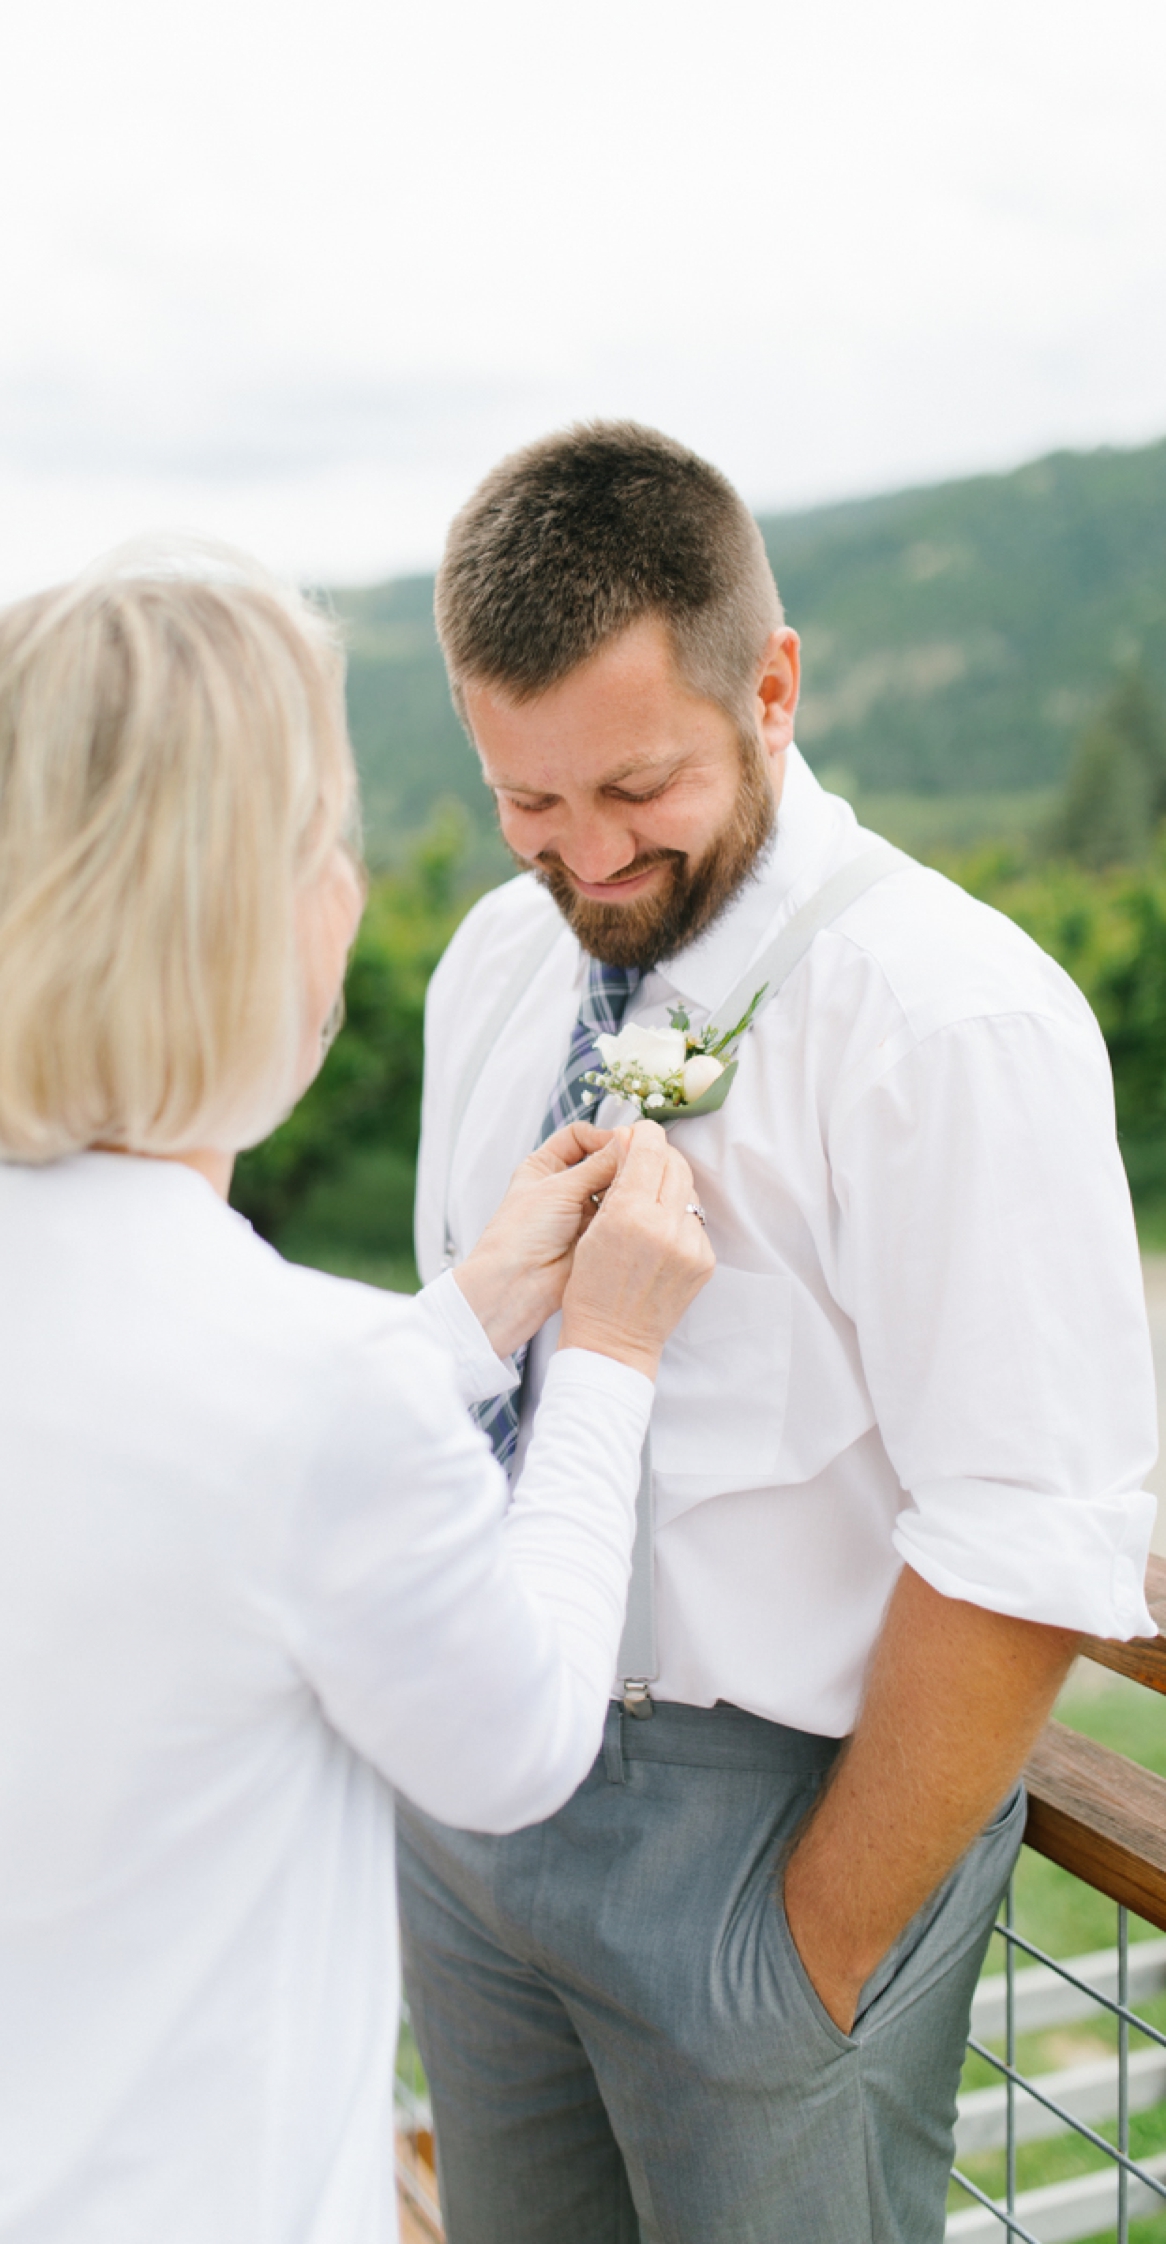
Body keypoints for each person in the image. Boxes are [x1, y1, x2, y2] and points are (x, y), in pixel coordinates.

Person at [0, 554, 714, 2244]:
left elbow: (162, 1455)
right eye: (324, 840)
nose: (347, 884)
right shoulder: (305, 1391)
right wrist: (605, 1357)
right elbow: (523, 1736)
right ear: (240, 915)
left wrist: (468, 1315)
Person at [399, 422, 1160, 2244]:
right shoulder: (490, 968)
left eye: (636, 786)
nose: (583, 858)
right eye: (528, 801)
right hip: (479, 1804)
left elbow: (1031, 1529)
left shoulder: (953, 1018)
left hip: (767, 1837)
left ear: (776, 684)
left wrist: (810, 1956)